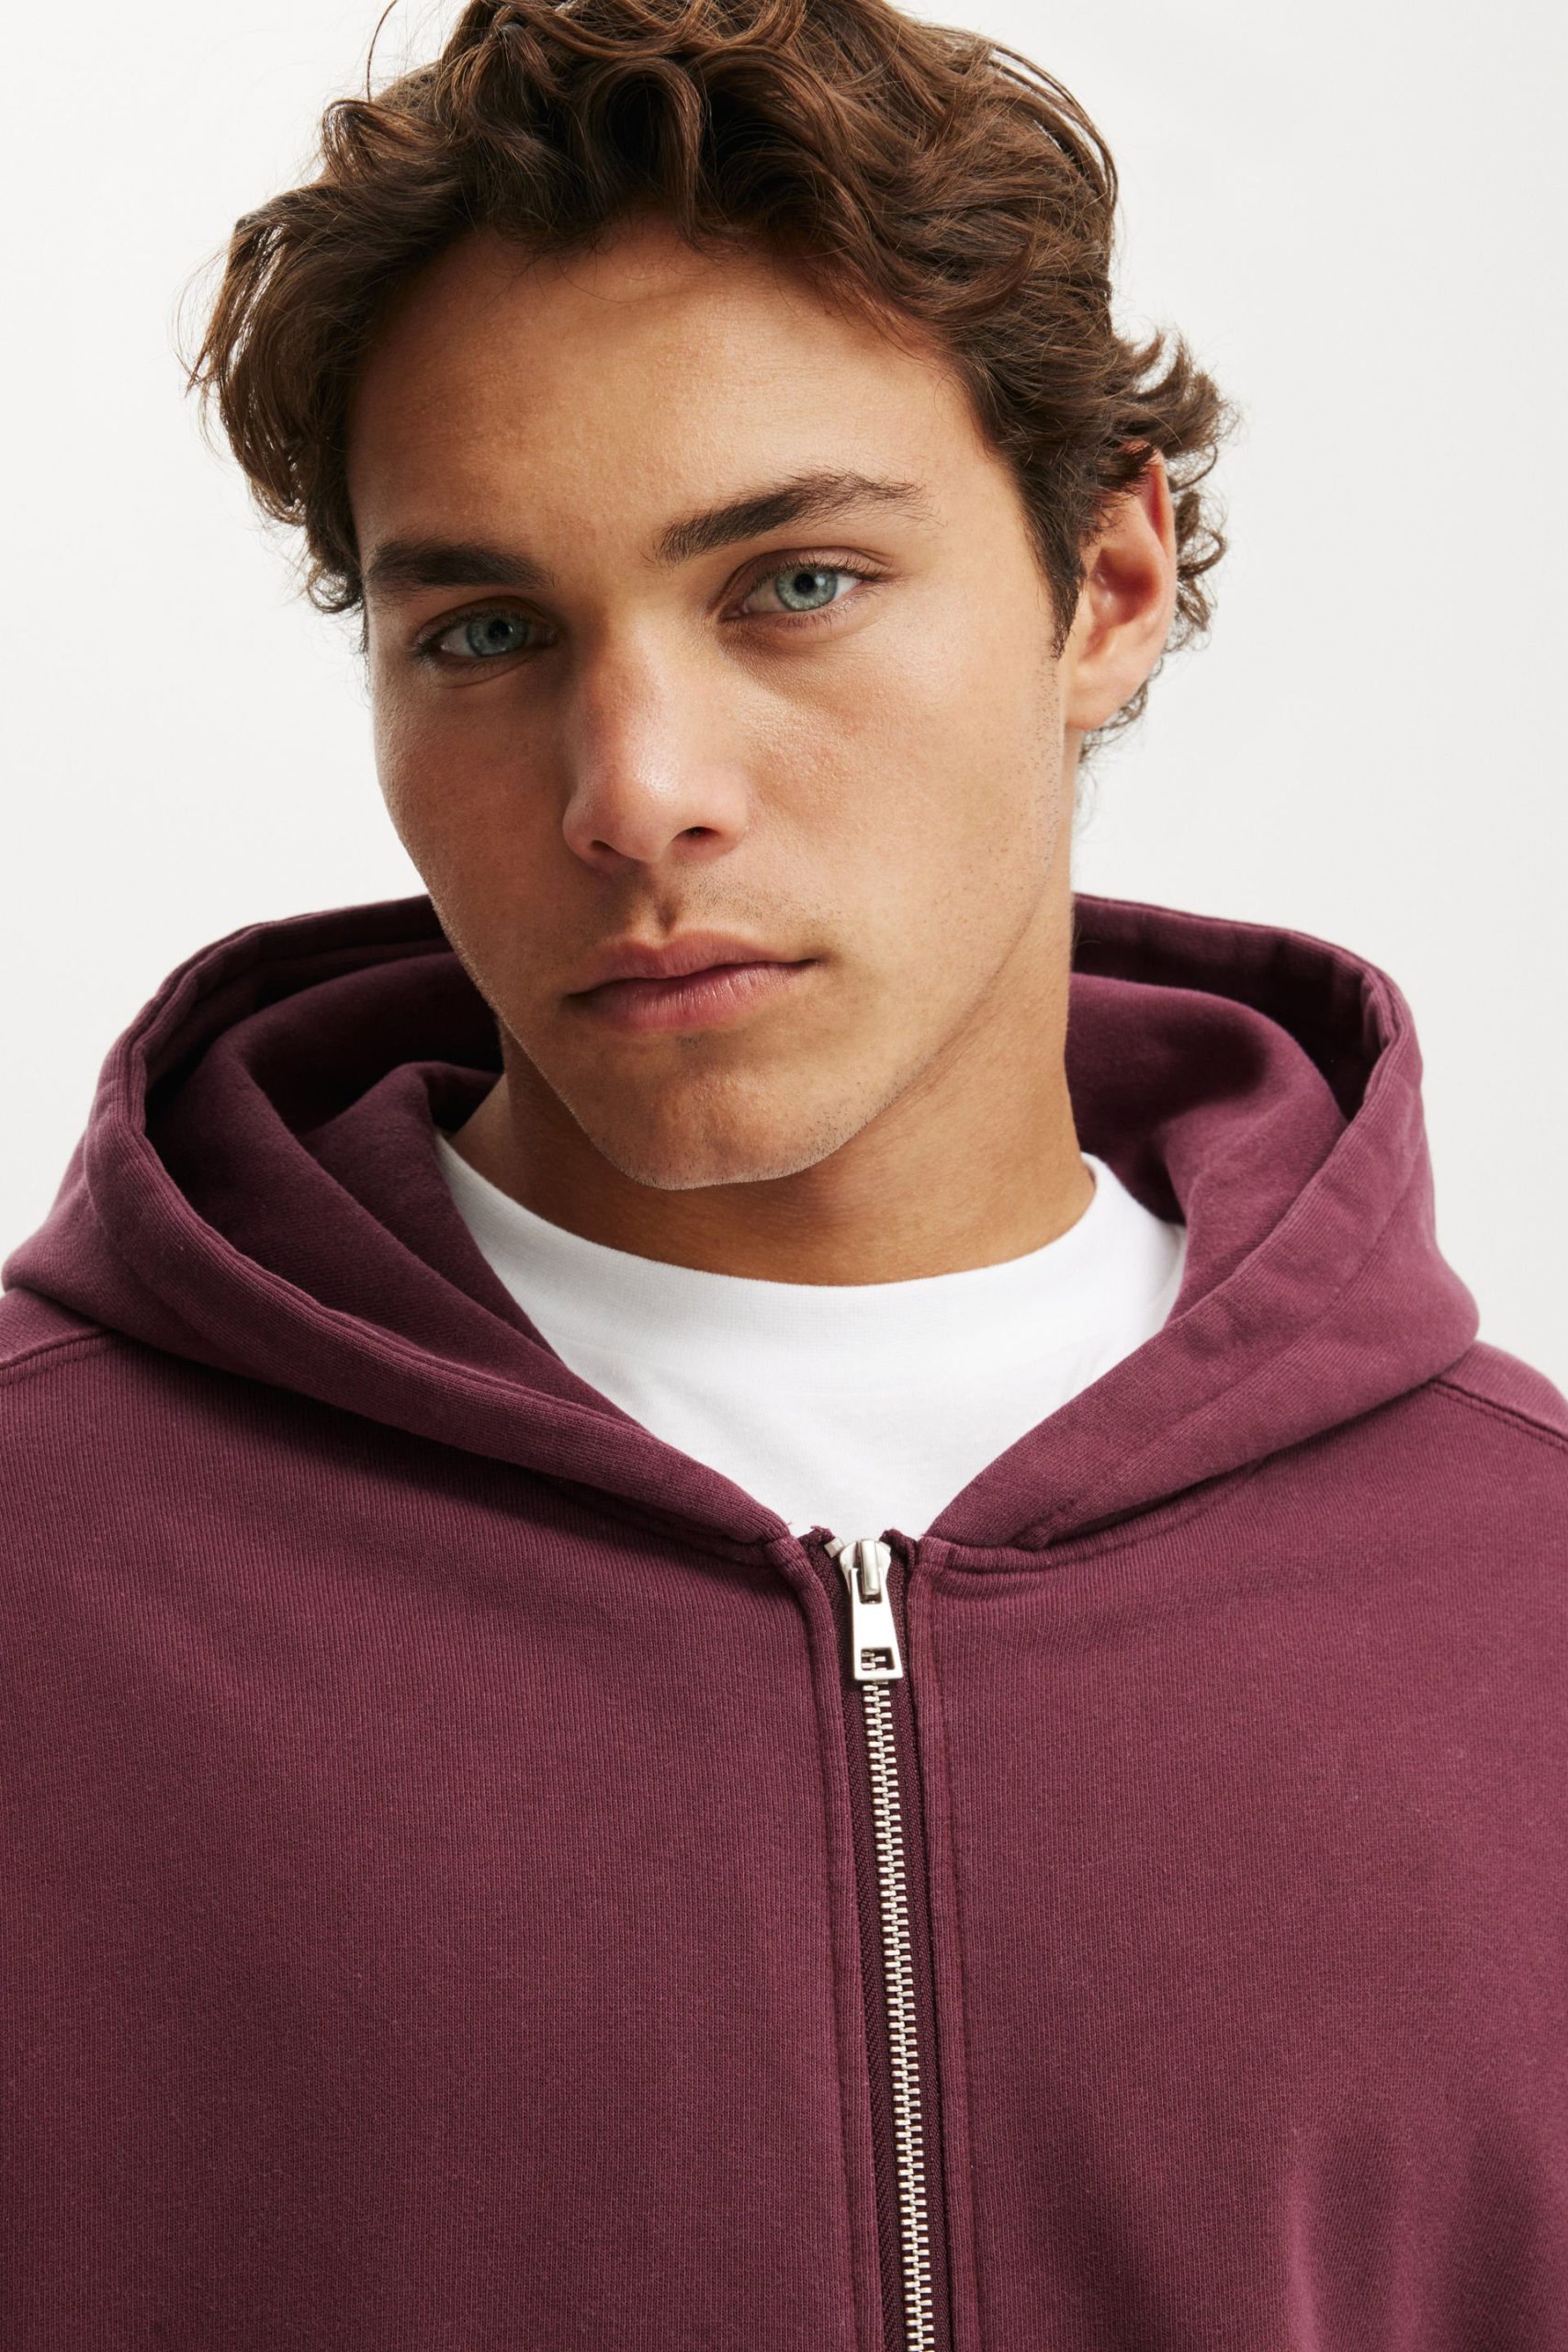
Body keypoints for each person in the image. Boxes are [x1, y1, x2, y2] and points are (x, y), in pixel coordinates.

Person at [3, 0, 1564, 2343]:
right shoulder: (40, 1586)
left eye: (794, 582)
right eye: (488, 630)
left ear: (1106, 582)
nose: (634, 789)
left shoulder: (1521, 1603)